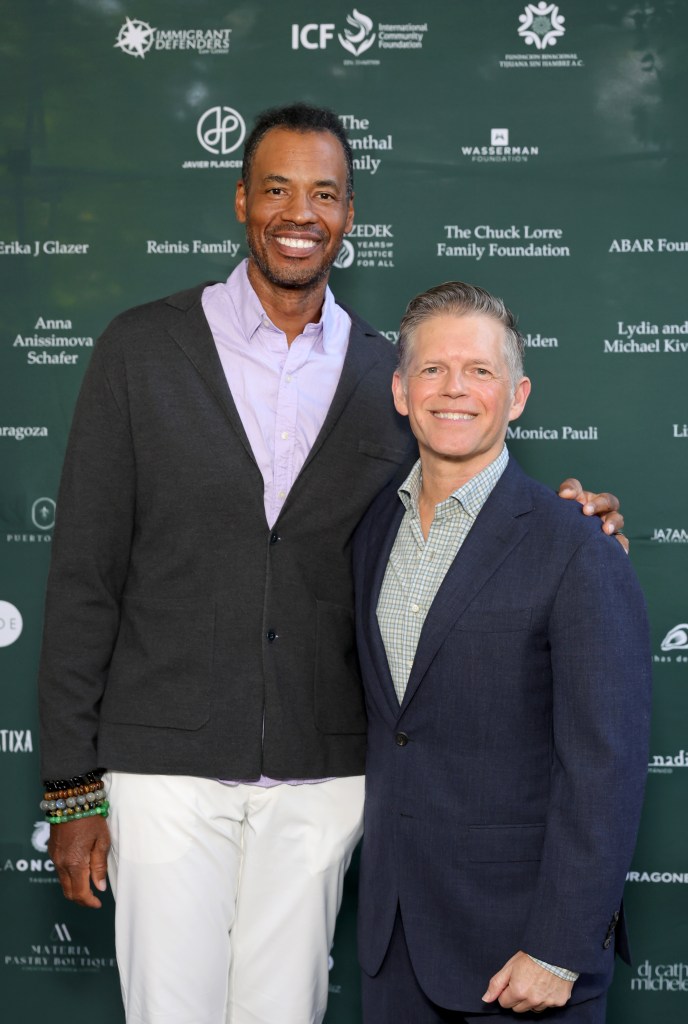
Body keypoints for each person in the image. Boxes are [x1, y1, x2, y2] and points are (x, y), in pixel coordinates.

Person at [38, 105, 625, 1024]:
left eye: (323, 193)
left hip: (322, 774)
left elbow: (457, 506)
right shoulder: (139, 351)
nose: (297, 211)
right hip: (163, 764)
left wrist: (571, 517)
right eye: (276, 188)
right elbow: (82, 577)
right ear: (241, 201)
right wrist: (72, 789)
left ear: (350, 215)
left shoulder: (387, 376)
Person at [353, 281, 651, 1024]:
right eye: (432, 369)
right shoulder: (369, 534)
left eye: (480, 371)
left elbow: (604, 765)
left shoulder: (578, 546)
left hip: (522, 962)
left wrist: (562, 948)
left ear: (516, 395)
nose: (454, 389)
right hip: (393, 950)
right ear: (400, 390)